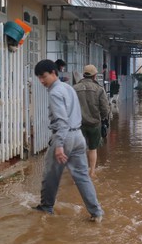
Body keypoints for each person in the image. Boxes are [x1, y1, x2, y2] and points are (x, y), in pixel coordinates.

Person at [32, 59, 104, 222]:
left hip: (64, 137)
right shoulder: (68, 88)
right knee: (82, 177)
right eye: (39, 78)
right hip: (78, 136)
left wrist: (59, 146)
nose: (41, 81)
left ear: (53, 73)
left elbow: (61, 121)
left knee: (50, 175)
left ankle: (46, 207)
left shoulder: (55, 92)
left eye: (43, 77)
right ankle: (96, 212)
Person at [73, 64, 110, 177]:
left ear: (83, 75)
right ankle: (92, 172)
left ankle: (79, 174)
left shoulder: (75, 88)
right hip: (94, 124)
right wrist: (103, 118)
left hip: (78, 124)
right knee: (93, 149)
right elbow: (105, 108)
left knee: (80, 150)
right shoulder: (99, 89)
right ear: (94, 76)